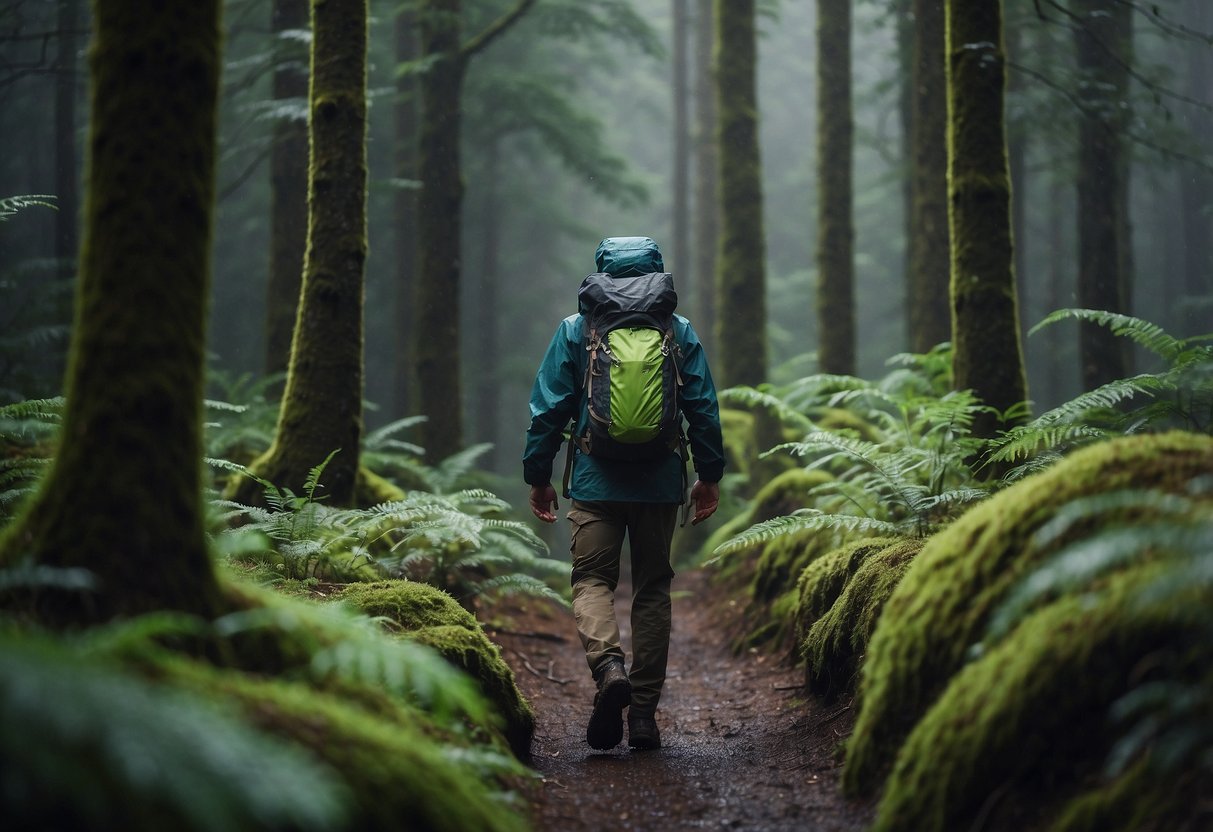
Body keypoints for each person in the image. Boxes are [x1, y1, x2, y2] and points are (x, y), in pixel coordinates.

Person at [523, 236, 725, 752]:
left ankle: (608, 667)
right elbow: (702, 406)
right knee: (652, 589)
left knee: (592, 579)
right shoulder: (677, 332)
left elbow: (548, 409)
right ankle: (643, 718)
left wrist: (538, 476)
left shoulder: (576, 330)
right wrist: (709, 474)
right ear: (657, 274)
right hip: (659, 483)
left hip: (595, 481)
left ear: (602, 273)